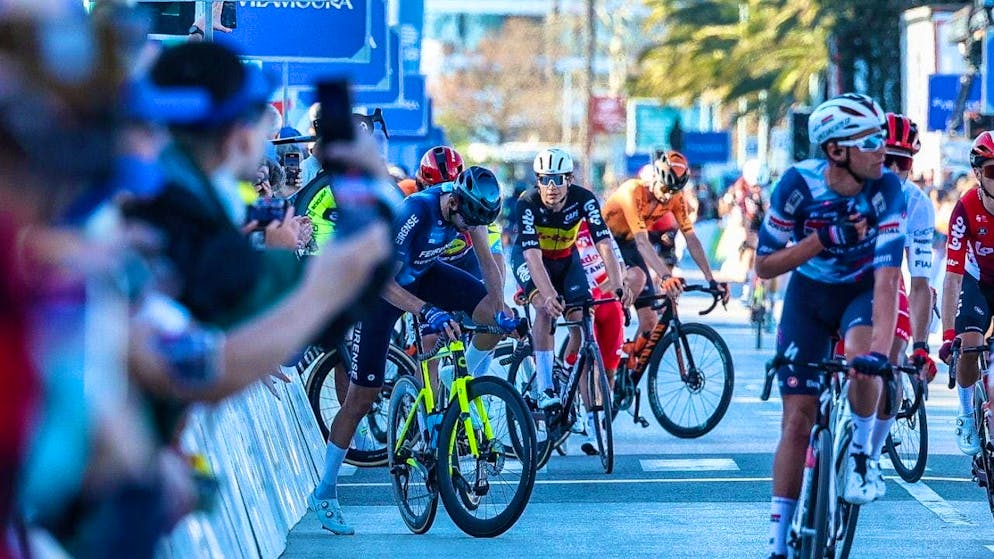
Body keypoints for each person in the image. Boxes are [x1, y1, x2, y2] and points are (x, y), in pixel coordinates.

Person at [309, 166, 507, 535]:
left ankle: (450, 378)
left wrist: (502, 307)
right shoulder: (417, 211)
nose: (469, 229)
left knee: (493, 317)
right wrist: (425, 310)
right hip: (381, 291)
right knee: (361, 399)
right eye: (467, 222)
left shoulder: (471, 210)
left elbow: (488, 263)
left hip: (423, 272)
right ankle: (325, 491)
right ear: (454, 202)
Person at [756, 93, 905, 559]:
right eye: (871, 141)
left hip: (861, 291)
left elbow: (888, 280)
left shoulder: (886, 190)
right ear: (837, 150)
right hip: (809, 297)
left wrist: (880, 354)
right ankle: (778, 543)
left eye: (883, 138)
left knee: (863, 359)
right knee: (796, 423)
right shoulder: (797, 186)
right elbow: (765, 265)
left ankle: (861, 454)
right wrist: (822, 239)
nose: (883, 150)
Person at [512, 148, 628, 411]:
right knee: (545, 308)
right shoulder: (527, 202)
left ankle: (565, 372)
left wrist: (618, 285)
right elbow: (531, 255)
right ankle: (545, 387)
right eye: (544, 179)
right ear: (538, 180)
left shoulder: (584, 199)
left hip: (566, 258)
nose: (551, 186)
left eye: (557, 179)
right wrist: (548, 295)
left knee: (582, 320)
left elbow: (604, 244)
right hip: (532, 259)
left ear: (570, 179)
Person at [602, 150, 728, 358]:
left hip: (629, 243)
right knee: (637, 277)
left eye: (674, 190)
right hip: (605, 240)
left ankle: (628, 364)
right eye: (665, 188)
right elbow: (643, 242)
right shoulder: (632, 191)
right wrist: (666, 276)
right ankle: (606, 329)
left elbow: (692, 240)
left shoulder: (675, 198)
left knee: (650, 322)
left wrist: (711, 279)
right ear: (655, 177)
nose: (668, 195)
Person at [939, 130, 994, 457]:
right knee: (969, 344)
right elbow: (952, 278)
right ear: (978, 174)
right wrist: (949, 335)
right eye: (993, 171)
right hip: (977, 283)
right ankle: (965, 414)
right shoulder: (966, 208)